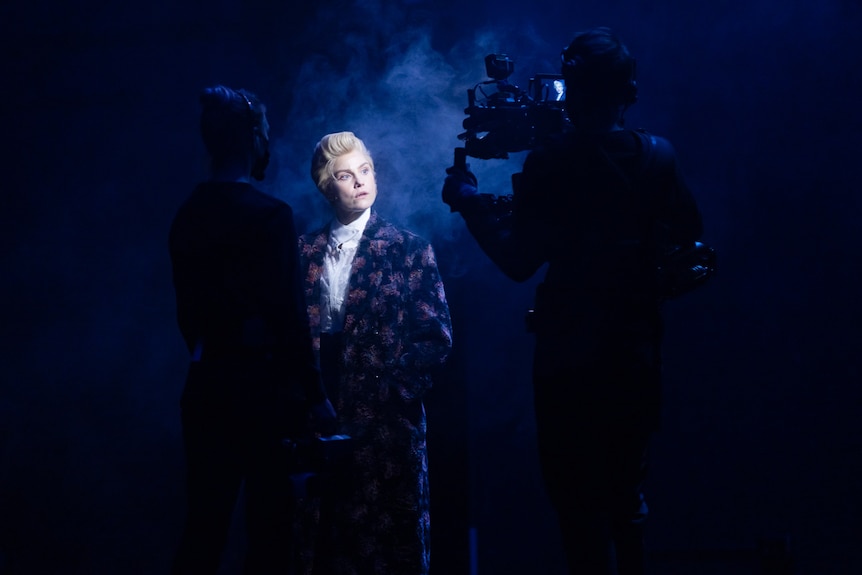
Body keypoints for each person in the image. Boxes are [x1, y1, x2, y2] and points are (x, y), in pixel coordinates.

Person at [442, 27, 704, 575]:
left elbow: (518, 261)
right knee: (628, 502)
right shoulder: (659, 157)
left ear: (573, 88)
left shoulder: (552, 163)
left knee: (577, 510)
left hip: (568, 361)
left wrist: (468, 201)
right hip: (635, 353)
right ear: (627, 91)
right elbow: (691, 249)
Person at [168, 84, 336, 574]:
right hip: (262, 392)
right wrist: (315, 394)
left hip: (206, 384)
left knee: (204, 528)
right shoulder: (270, 217)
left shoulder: (187, 215)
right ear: (253, 140)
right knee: (270, 532)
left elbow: (187, 317)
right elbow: (289, 314)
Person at [295, 131, 453, 575]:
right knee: (322, 540)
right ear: (327, 185)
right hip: (320, 411)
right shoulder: (303, 251)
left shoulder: (408, 248)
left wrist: (390, 395)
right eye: (346, 175)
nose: (360, 182)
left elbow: (435, 337)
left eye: (365, 170)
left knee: (386, 545)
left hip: (386, 421)